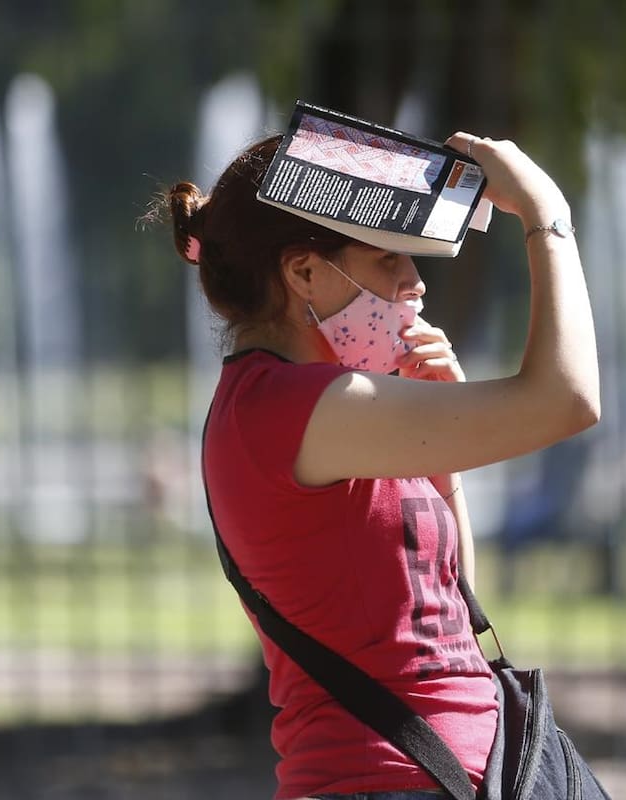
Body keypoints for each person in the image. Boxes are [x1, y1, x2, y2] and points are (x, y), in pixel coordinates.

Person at [164, 130, 599, 800]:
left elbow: (450, 611)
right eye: (389, 259)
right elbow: (565, 399)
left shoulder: (344, 404)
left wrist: (443, 443)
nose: (414, 284)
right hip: (381, 781)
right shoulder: (284, 406)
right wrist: (547, 213)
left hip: (461, 774)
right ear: (303, 272)